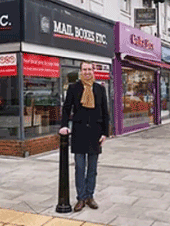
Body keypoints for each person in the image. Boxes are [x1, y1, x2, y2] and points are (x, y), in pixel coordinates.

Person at [59, 61, 109, 212]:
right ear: (80, 71)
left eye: (89, 69)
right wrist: (64, 125)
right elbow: (67, 108)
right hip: (79, 133)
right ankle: (80, 198)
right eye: (84, 69)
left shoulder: (100, 89)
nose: (87, 72)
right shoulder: (73, 88)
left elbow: (105, 112)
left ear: (93, 71)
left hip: (95, 133)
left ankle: (90, 196)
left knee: (92, 169)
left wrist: (105, 133)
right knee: (80, 168)